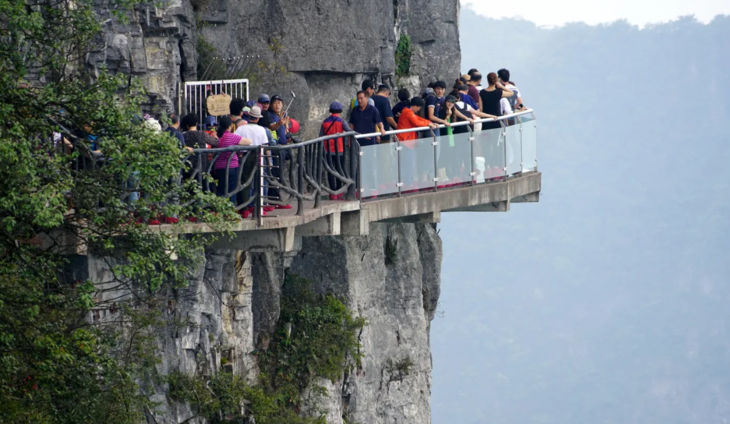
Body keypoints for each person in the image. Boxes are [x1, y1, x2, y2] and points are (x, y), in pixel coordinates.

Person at [234, 106, 270, 217]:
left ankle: (244, 208)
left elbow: (235, 142)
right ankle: (259, 206)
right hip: (259, 155)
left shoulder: (241, 129)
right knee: (259, 181)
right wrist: (269, 161)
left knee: (245, 181)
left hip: (245, 155)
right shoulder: (262, 130)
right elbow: (266, 146)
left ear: (249, 116)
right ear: (258, 118)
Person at [396, 97, 438, 190]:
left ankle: (407, 182)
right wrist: (429, 124)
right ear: (415, 106)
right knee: (408, 163)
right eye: (418, 108)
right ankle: (407, 184)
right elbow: (417, 122)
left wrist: (430, 122)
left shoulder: (408, 112)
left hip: (406, 141)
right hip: (405, 141)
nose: (419, 110)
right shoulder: (408, 112)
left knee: (408, 163)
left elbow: (419, 119)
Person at [349, 90, 385, 196]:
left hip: (370, 142)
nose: (359, 101)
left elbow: (379, 122)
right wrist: (350, 139)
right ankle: (357, 189)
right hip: (357, 142)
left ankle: (373, 188)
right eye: (358, 99)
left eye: (361, 98)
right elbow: (352, 125)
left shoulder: (372, 110)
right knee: (356, 166)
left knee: (371, 165)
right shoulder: (355, 110)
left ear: (367, 98)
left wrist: (381, 130)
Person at [213, 116, 253, 204]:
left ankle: (219, 210)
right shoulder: (232, 137)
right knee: (232, 190)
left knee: (221, 189)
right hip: (232, 167)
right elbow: (249, 141)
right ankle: (230, 212)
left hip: (219, 167)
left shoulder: (216, 137)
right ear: (230, 126)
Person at [320, 102, 353, 199]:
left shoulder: (325, 122)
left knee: (330, 171)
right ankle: (339, 191)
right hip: (339, 149)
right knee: (339, 170)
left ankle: (332, 193)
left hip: (327, 150)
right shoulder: (341, 121)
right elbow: (349, 131)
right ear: (340, 111)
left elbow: (321, 136)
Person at [181, 113, 218, 181]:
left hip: (189, 168)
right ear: (197, 123)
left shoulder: (183, 136)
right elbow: (216, 142)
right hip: (203, 167)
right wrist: (215, 137)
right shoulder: (202, 134)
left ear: (187, 125)